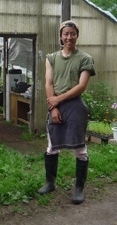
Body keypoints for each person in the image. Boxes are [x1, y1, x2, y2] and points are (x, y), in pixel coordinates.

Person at [38, 20, 96, 204]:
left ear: (77, 35)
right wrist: (53, 106)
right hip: (55, 105)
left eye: (72, 33)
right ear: (61, 36)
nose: (69, 37)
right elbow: (49, 83)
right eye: (65, 34)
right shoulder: (51, 58)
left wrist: (58, 99)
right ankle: (50, 182)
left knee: (80, 148)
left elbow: (81, 86)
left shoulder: (85, 58)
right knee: (51, 147)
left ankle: (79, 188)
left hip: (75, 106)